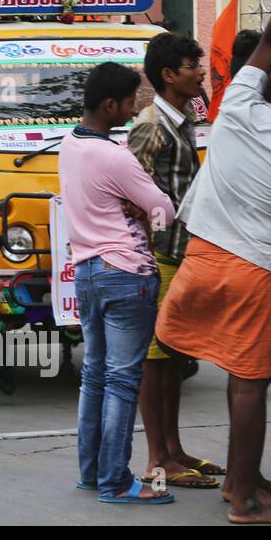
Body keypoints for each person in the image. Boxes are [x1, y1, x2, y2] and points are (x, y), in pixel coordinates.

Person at [155, 0, 271, 524]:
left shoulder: (236, 107)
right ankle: (245, 503)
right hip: (254, 271)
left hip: (201, 259)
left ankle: (240, 484)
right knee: (250, 386)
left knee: (237, 379)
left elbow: (270, 40)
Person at [59, 61, 175, 506]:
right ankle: (116, 481)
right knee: (124, 381)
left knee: (94, 377)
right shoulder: (114, 155)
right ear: (109, 104)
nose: (133, 110)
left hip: (87, 271)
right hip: (126, 274)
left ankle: (92, 474)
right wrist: (143, 211)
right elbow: (163, 206)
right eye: (129, 103)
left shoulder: (70, 144)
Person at [127, 33, 222, 489]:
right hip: (159, 256)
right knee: (155, 360)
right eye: (191, 65)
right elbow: (131, 195)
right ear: (169, 75)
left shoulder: (179, 121)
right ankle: (157, 459)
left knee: (172, 358)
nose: (200, 72)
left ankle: (174, 448)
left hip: (179, 253)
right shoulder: (152, 125)